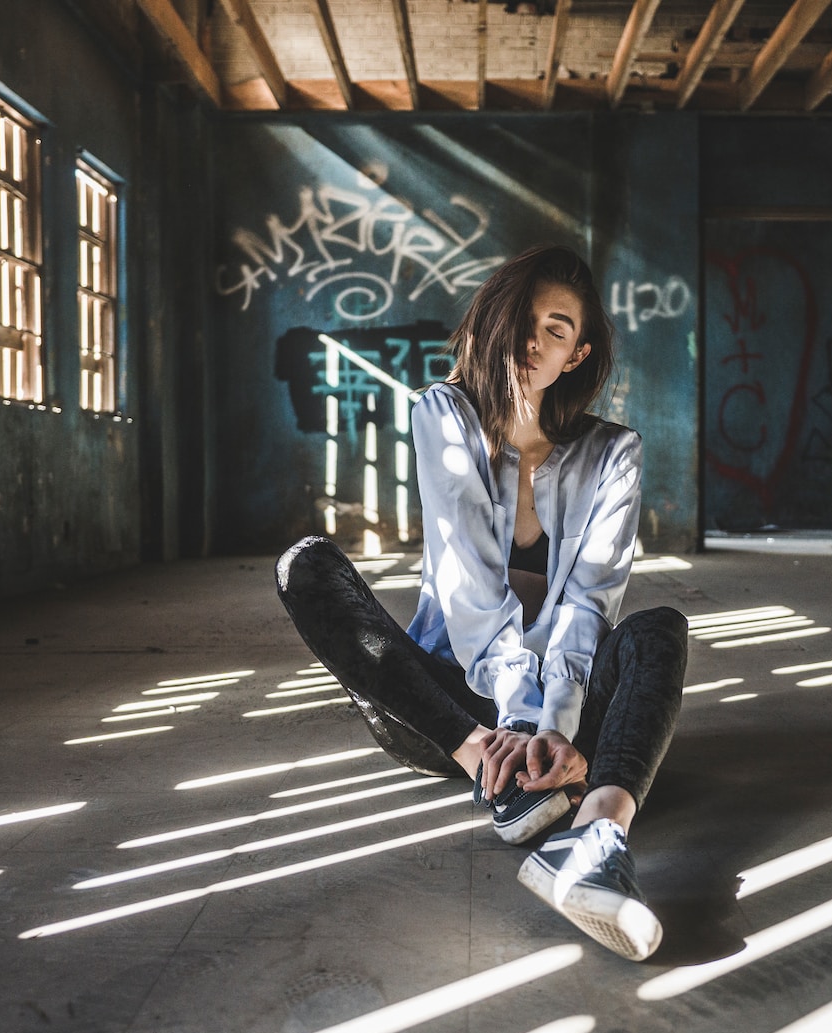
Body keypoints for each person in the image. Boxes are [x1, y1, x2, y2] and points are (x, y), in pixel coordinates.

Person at [275, 245, 688, 960]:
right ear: (495, 323)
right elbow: (469, 588)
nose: (533, 341)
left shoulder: (613, 454)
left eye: (556, 329)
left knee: (657, 629)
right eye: (523, 320)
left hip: (561, 715)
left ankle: (595, 838)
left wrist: (549, 727)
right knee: (306, 567)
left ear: (577, 354)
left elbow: (589, 603)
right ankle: (496, 774)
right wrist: (508, 727)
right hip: (451, 712)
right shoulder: (445, 414)